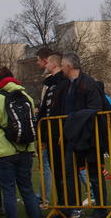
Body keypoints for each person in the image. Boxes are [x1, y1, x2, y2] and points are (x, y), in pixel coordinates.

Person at [0, 67, 41, 218]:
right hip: (25, 148)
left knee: (9, 191)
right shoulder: (26, 96)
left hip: (3, 151)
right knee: (27, 189)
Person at [52, 52, 107, 218]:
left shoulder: (88, 83)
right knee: (69, 172)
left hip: (89, 137)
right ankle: (73, 207)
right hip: (72, 137)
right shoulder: (66, 86)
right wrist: (64, 132)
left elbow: (95, 108)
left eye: (62, 65)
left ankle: (101, 209)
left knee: (94, 174)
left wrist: (72, 123)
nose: (61, 68)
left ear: (69, 66)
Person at [37, 51, 66, 203]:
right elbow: (44, 111)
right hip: (50, 134)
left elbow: (64, 109)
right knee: (56, 171)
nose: (45, 65)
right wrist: (42, 136)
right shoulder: (50, 85)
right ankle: (62, 204)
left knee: (66, 171)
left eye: (47, 62)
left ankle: (72, 206)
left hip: (60, 134)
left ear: (54, 64)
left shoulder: (63, 82)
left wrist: (63, 132)